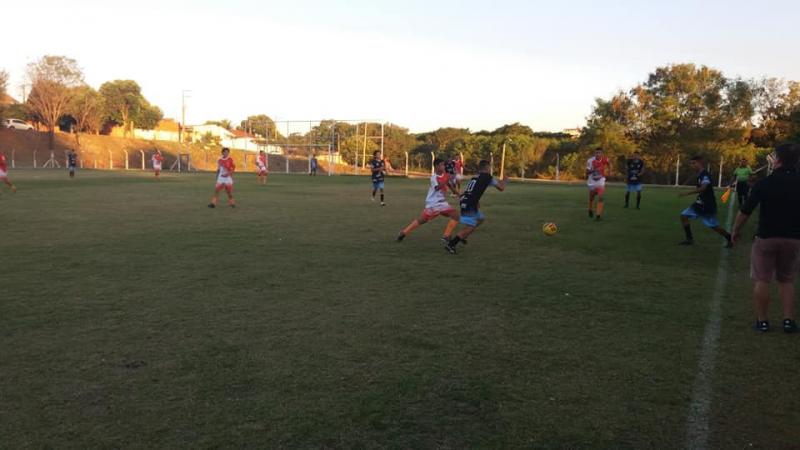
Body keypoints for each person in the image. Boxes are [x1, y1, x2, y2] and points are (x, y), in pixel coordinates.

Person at [731, 143, 800, 333]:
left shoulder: (765, 183)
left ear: (777, 160)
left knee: (762, 279)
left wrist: (736, 231)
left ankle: (762, 321)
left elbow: (746, 211)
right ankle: (788, 321)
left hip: (766, 237)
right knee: (787, 281)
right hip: (793, 239)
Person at [445, 159, 507, 254]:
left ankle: (463, 236)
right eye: (490, 167)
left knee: (480, 219)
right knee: (471, 226)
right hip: (469, 203)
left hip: (467, 201)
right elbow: (501, 188)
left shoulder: (476, 177)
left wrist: (476, 201)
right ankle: (452, 244)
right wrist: (505, 180)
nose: (490, 168)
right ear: (487, 167)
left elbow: (473, 190)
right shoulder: (487, 176)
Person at [397, 158, 460, 243]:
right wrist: (447, 178)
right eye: (442, 165)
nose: (444, 166)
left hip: (441, 203)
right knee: (422, 220)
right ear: (437, 166)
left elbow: (450, 186)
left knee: (455, 215)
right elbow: (437, 188)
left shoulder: (444, 175)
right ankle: (404, 232)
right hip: (433, 204)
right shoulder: (433, 177)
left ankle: (446, 235)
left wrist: (459, 195)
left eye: (444, 165)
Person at [678, 155, 732, 247]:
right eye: (691, 163)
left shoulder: (705, 175)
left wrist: (687, 193)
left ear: (700, 163)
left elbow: (703, 188)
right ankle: (689, 239)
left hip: (707, 204)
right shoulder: (699, 174)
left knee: (713, 226)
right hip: (700, 203)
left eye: (693, 163)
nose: (692, 165)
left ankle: (729, 237)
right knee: (683, 216)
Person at [586, 147, 610, 220]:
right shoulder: (590, 161)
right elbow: (587, 172)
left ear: (602, 153)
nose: (598, 154)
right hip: (592, 182)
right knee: (591, 197)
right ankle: (590, 209)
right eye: (596, 153)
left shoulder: (605, 159)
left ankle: (598, 215)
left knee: (601, 197)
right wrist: (593, 170)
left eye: (599, 153)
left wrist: (609, 172)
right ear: (594, 153)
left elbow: (609, 164)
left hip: (601, 181)